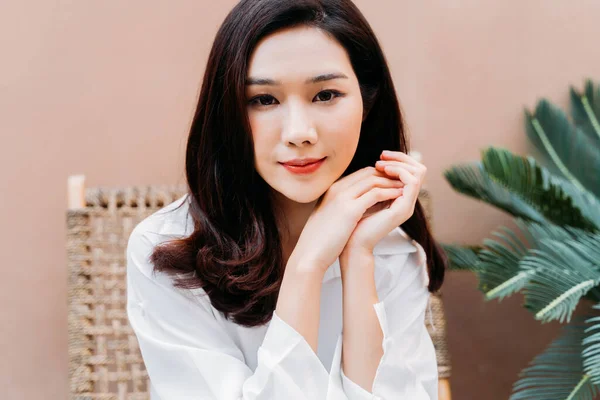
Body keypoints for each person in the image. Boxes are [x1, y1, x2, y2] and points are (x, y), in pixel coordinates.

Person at [126, 0, 448, 398]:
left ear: (368, 100)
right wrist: (308, 263)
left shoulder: (392, 250)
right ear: (228, 112)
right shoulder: (165, 250)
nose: (299, 132)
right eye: (264, 100)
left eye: (326, 94)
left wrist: (358, 255)